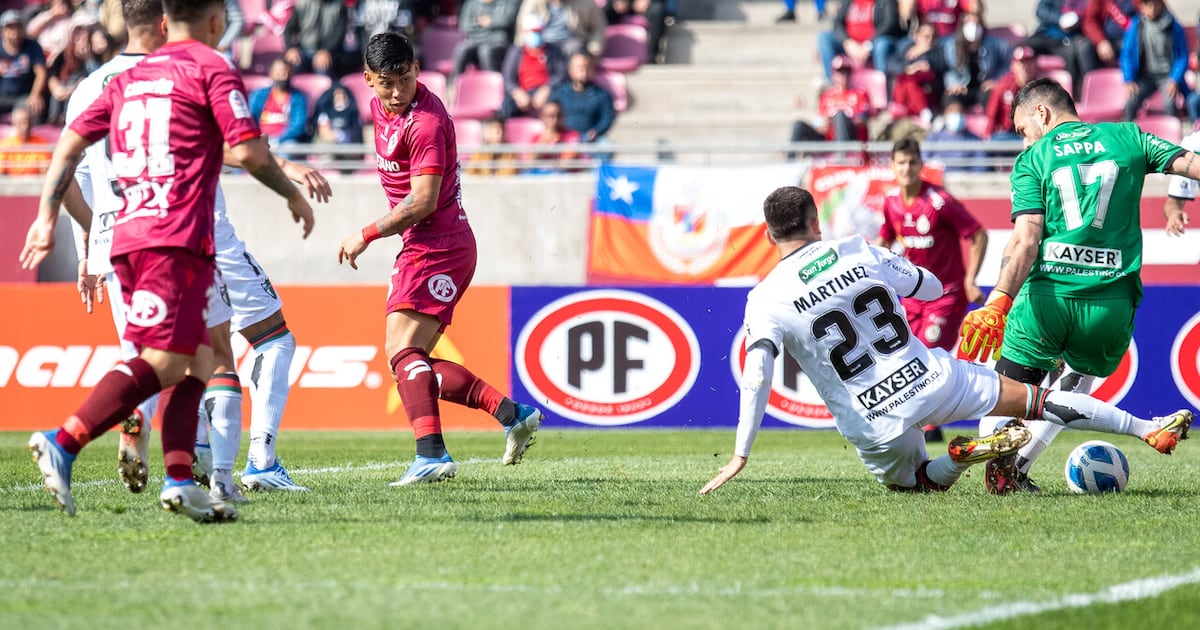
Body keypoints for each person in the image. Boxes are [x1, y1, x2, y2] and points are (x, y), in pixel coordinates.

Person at [20, 0, 315, 521]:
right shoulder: (205, 68)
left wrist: (52, 222)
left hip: (127, 237)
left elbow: (68, 148)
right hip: (174, 235)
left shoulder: (121, 79)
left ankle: (181, 479)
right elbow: (243, 151)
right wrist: (288, 189)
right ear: (217, 23)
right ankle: (62, 440)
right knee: (167, 361)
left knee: (198, 359)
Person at [699, 186, 1192, 495]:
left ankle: (959, 457)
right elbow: (931, 288)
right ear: (815, 223)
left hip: (872, 419)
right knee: (1043, 400)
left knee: (914, 483)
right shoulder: (855, 249)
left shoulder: (763, 298)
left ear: (768, 236)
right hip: (933, 378)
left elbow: (758, 373)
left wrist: (742, 452)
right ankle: (1146, 426)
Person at [958, 77, 1200, 493]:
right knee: (1074, 384)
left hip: (1046, 299)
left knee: (1009, 391)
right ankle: (1019, 470)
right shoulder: (1128, 137)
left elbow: (1026, 240)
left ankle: (1002, 475)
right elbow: (1190, 164)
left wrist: (999, 300)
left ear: (1042, 113)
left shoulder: (1035, 159)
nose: (1022, 141)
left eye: (1021, 131)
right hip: (1109, 305)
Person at [336, 32, 544, 485]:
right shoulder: (380, 108)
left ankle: (431, 455)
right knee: (412, 363)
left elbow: (425, 200)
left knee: (402, 352)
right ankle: (511, 414)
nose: (396, 91)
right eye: (386, 83)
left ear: (417, 70)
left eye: (405, 79)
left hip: (440, 245)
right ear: (368, 80)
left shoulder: (426, 123)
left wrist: (366, 234)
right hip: (422, 244)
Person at [878, 138, 986, 440]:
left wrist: (970, 279)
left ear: (920, 164)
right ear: (892, 166)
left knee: (926, 353)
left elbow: (978, 235)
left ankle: (930, 425)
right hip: (911, 298)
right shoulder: (891, 202)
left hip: (946, 295)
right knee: (901, 357)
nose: (907, 168)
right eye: (901, 162)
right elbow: (884, 240)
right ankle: (915, 421)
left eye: (912, 162)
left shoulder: (939, 202)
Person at [1120, 0, 1188, 122]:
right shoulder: (1136, 27)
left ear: (1161, 4)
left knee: (1170, 104)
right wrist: (1129, 79)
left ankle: (1172, 137)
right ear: (1141, 7)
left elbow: (1182, 56)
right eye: (1147, 4)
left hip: (1167, 77)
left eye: (1155, 4)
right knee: (1130, 103)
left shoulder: (1174, 27)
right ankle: (1129, 137)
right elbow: (1127, 55)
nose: (1151, 8)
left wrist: (1175, 79)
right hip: (1146, 77)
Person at [1023, 0, 1100, 96]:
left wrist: (1077, 22)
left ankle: (1074, 97)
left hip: (1071, 40)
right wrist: (1060, 19)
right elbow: (1040, 10)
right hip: (1047, 36)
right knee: (1022, 49)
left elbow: (1093, 19)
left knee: (1076, 53)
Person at [816, 0, 903, 83]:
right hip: (851, 44)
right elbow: (838, 23)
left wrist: (868, 45)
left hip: (874, 44)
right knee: (824, 37)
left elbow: (890, 23)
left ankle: (883, 85)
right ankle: (832, 83)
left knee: (882, 45)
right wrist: (847, 42)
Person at [941, 10, 1010, 112]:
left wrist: (997, 80)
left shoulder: (995, 44)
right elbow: (947, 68)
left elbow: (1009, 63)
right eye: (969, 23)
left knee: (994, 99)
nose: (973, 26)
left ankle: (994, 125)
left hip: (984, 88)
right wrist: (954, 83)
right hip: (963, 88)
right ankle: (955, 124)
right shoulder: (951, 46)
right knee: (950, 98)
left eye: (976, 23)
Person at [499, 15, 565, 119]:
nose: (535, 35)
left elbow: (561, 74)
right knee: (507, 106)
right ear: (524, 33)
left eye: (538, 31)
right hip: (523, 91)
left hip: (546, 92)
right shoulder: (516, 52)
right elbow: (508, 77)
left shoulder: (553, 51)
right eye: (532, 32)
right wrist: (517, 92)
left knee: (560, 102)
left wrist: (547, 89)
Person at [549, 50, 615, 143]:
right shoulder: (559, 94)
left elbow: (606, 118)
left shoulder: (602, 95)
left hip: (590, 138)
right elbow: (550, 114)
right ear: (570, 70)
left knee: (606, 145)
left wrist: (596, 131)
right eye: (580, 68)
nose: (584, 73)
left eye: (588, 68)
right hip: (564, 137)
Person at [249, 57, 309, 146]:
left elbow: (298, 125)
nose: (283, 75)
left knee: (291, 147)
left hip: (286, 142)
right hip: (260, 140)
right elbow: (250, 119)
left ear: (291, 73)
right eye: (278, 72)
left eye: (285, 71)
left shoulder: (298, 98)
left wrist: (279, 140)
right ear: (271, 74)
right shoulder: (258, 95)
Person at [984, 44, 1039, 140]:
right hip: (1009, 134)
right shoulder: (1004, 85)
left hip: (1034, 135)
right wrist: (987, 135)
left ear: (1035, 64)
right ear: (1013, 66)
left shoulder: (1042, 87)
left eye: (1029, 63)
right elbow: (993, 113)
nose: (1025, 67)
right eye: (1021, 63)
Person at [515, 0, 606, 57]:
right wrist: (520, 51)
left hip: (571, 45)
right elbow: (522, 27)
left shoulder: (586, 3)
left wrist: (594, 51)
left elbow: (598, 27)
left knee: (575, 49)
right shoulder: (533, 3)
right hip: (542, 44)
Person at [0, 9, 48, 119]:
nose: (15, 32)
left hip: (24, 96)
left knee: (36, 108)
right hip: (2, 96)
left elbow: (41, 72)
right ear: (2, 31)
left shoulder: (32, 46)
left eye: (18, 27)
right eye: (10, 28)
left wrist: (35, 94)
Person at [283, 0, 351, 76]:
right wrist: (291, 48)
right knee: (292, 66)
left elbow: (340, 33)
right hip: (304, 50)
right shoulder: (302, 4)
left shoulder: (339, 5)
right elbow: (289, 29)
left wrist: (326, 51)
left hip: (329, 51)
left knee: (323, 67)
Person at [453, 0, 521, 75]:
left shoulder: (509, 2)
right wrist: (485, 24)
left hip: (499, 42)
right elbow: (465, 25)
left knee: (485, 51)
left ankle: (493, 84)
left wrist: (489, 22)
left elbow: (506, 20)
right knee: (461, 49)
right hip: (476, 40)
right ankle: (457, 83)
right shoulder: (471, 2)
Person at [45, 24, 95, 124]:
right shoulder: (63, 56)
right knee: (60, 89)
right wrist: (58, 90)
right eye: (78, 40)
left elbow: (93, 78)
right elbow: (52, 75)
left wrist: (88, 58)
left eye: (85, 40)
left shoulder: (91, 60)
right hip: (62, 92)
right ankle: (53, 120)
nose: (82, 43)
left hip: (79, 93)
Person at [924, 97, 989, 170]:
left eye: (960, 112)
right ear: (945, 114)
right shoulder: (933, 138)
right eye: (952, 111)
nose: (956, 114)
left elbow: (980, 167)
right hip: (938, 180)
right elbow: (925, 159)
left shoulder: (976, 140)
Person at [524, 99, 581, 173]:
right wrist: (543, 141)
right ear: (542, 118)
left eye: (559, 115)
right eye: (551, 116)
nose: (555, 119)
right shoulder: (536, 138)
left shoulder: (572, 135)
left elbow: (565, 164)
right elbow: (528, 164)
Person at [1083, 0, 1140, 68]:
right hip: (1109, 41)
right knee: (1085, 48)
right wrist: (1101, 41)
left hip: (1134, 40)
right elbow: (1090, 21)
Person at [0, 101, 51, 175]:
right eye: (21, 123)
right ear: (14, 123)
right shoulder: (5, 146)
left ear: (32, 123)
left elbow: (45, 172)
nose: (25, 126)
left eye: (28, 122)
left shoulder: (42, 145)